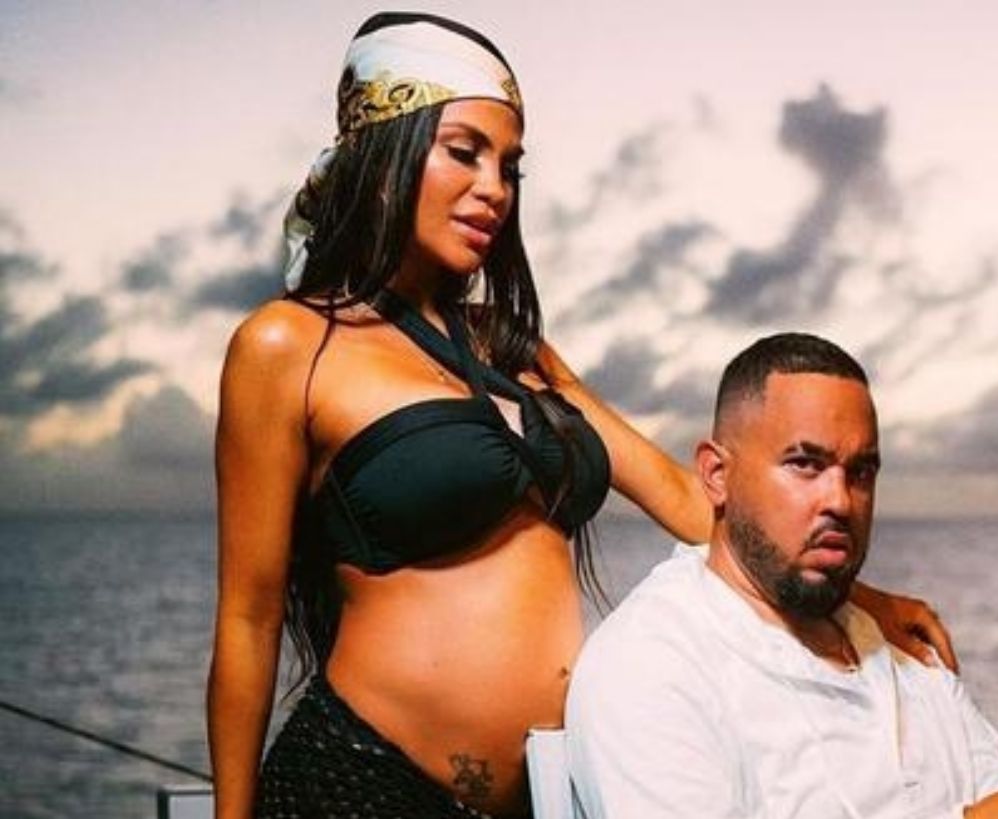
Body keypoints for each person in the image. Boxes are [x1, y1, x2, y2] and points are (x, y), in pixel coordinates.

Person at [207, 14, 953, 819]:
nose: (494, 188)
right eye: (464, 152)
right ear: (384, 157)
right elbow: (249, 617)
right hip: (359, 787)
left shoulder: (511, 346)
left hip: (551, 794)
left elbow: (687, 496)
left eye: (510, 166)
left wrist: (859, 599)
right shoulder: (288, 345)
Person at [567, 333, 998, 819]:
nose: (840, 500)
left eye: (861, 472)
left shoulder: (898, 652)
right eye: (805, 464)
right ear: (716, 475)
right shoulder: (654, 666)